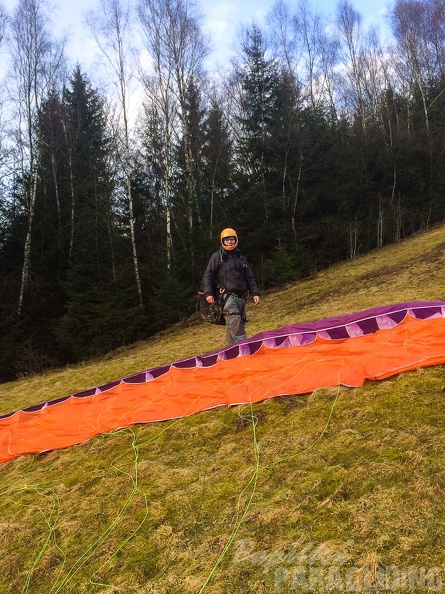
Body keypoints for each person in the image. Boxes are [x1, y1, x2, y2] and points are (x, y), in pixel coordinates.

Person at [202, 228, 260, 345]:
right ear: (222, 241)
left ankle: (229, 354)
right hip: (227, 298)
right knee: (236, 324)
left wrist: (255, 293)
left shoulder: (241, 258)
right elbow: (208, 275)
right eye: (227, 240)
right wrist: (208, 293)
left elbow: (249, 277)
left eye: (232, 239)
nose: (229, 242)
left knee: (234, 326)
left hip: (241, 298)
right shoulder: (217, 256)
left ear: (236, 240)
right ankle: (244, 350)